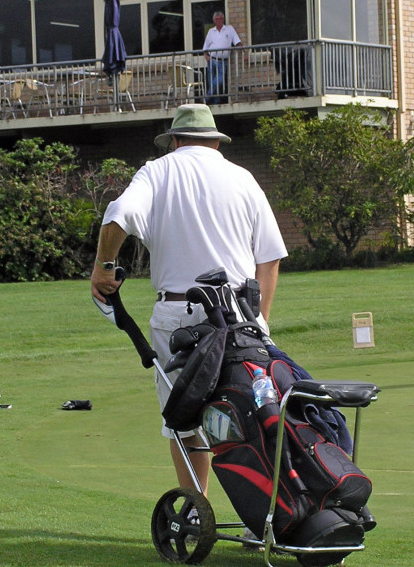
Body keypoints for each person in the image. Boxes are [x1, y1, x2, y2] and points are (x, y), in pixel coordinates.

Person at [90, 104, 287, 495]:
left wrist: (104, 266)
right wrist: (260, 319)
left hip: (177, 314)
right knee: (249, 410)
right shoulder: (242, 177)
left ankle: (198, 511)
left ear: (175, 140)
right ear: (215, 142)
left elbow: (118, 217)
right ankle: (259, 515)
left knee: (185, 420)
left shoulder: (157, 171)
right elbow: (270, 256)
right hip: (238, 313)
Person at [201, 11, 242, 105]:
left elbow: (237, 42)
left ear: (223, 19)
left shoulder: (229, 29)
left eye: (220, 18)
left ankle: (208, 97)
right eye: (217, 19)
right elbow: (205, 47)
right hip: (212, 60)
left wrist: (244, 53)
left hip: (223, 61)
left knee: (219, 81)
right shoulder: (211, 31)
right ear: (214, 20)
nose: (219, 20)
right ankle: (215, 101)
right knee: (211, 82)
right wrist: (207, 56)